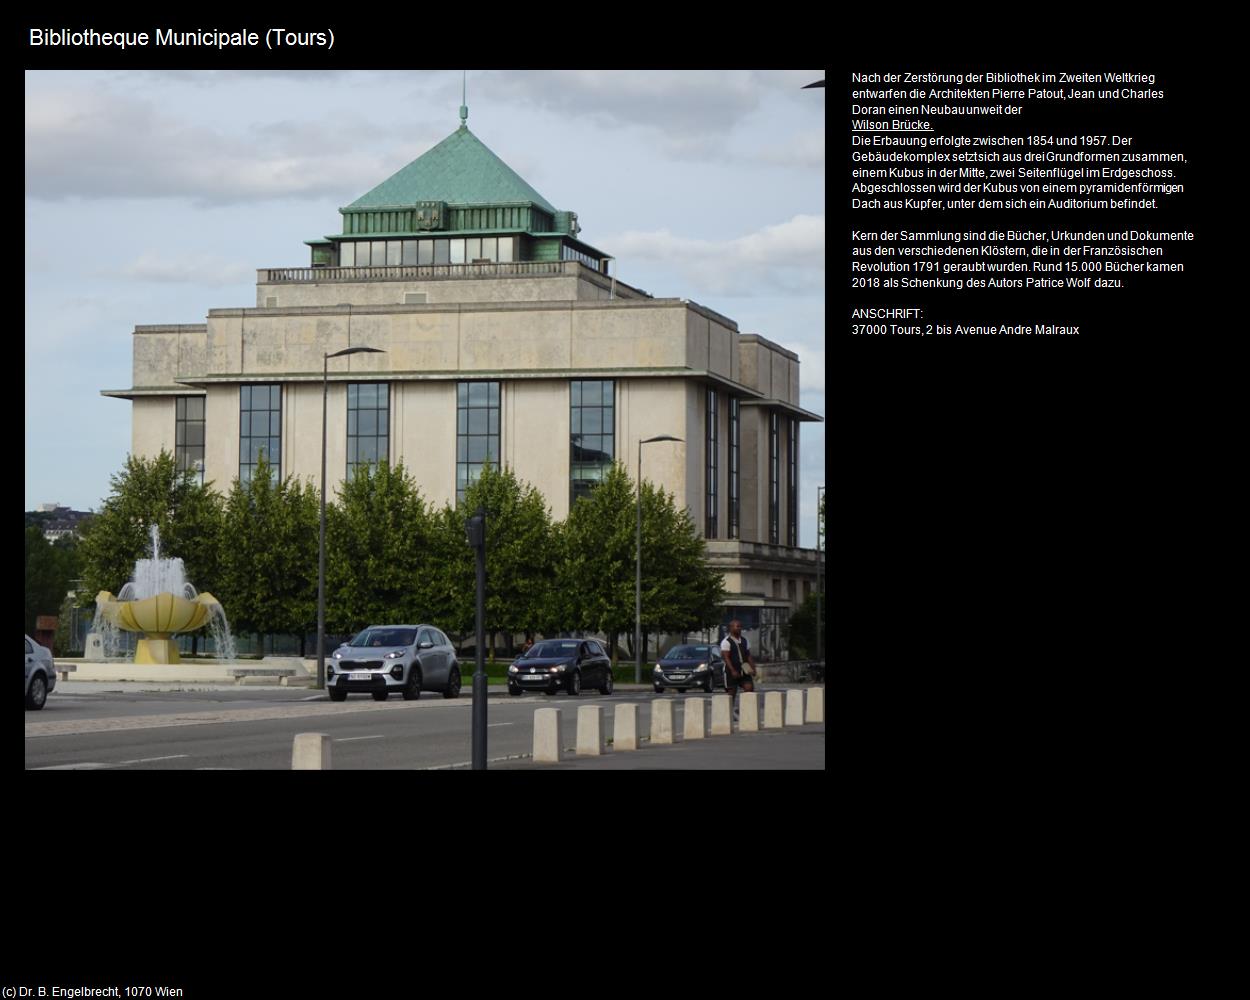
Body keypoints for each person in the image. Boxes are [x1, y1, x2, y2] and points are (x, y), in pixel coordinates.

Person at [720, 619, 757, 722]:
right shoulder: (726, 642)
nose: (739, 628)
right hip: (731, 670)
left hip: (744, 669)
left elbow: (748, 655)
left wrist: (753, 668)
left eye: (740, 626)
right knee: (732, 692)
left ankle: (742, 711)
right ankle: (728, 712)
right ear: (731, 628)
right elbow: (726, 658)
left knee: (749, 688)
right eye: (737, 626)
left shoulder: (745, 640)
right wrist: (732, 670)